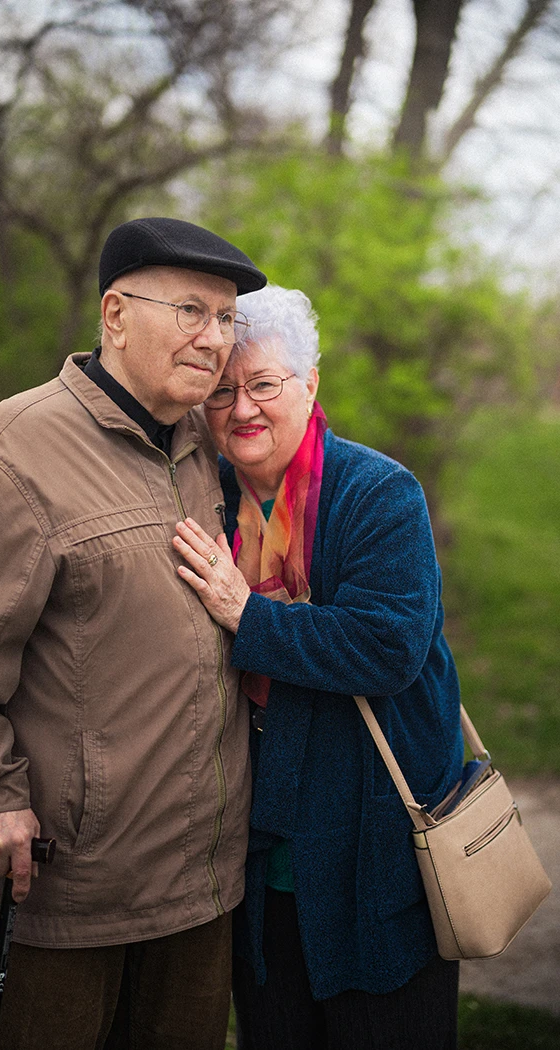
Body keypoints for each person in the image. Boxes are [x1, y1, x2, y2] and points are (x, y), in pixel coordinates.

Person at [0, 217, 267, 1050]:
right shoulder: (13, 452)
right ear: (114, 312)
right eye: (190, 312)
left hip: (200, 891)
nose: (214, 340)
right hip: (64, 894)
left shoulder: (206, 449)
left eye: (226, 318)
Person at [172, 284, 464, 1050]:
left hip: (376, 856)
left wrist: (248, 615)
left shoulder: (379, 494)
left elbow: (386, 648)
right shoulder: (209, 503)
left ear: (311, 384)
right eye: (224, 392)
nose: (242, 410)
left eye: (264, 384)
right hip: (260, 853)